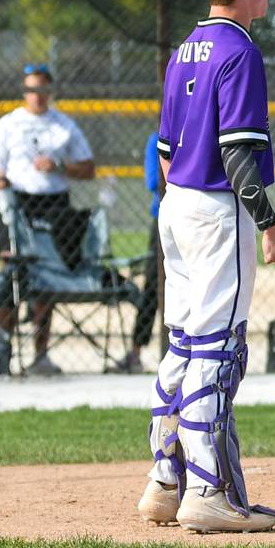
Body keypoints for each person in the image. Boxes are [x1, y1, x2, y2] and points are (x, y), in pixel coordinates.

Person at [136, 0, 275, 535]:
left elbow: (167, 150)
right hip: (215, 208)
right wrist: (270, 225)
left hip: (177, 204)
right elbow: (237, 154)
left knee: (182, 344)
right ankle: (207, 491)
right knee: (216, 349)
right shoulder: (239, 51)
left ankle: (164, 480)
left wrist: (185, 204)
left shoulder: (185, 50)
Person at [0, 64, 96, 377]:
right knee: (11, 278)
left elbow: (88, 168)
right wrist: (0, 181)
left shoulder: (64, 125)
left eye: (43, 90)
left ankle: (40, 354)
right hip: (17, 206)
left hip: (54, 207)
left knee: (45, 281)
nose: (38, 96)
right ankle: (1, 353)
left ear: (50, 92)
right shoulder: (9, 124)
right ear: (25, 92)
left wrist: (60, 166)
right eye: (32, 90)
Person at [114, 132, 163, 374]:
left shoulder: (203, 130)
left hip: (199, 219)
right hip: (164, 218)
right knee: (153, 287)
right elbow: (154, 182)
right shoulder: (157, 139)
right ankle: (136, 351)